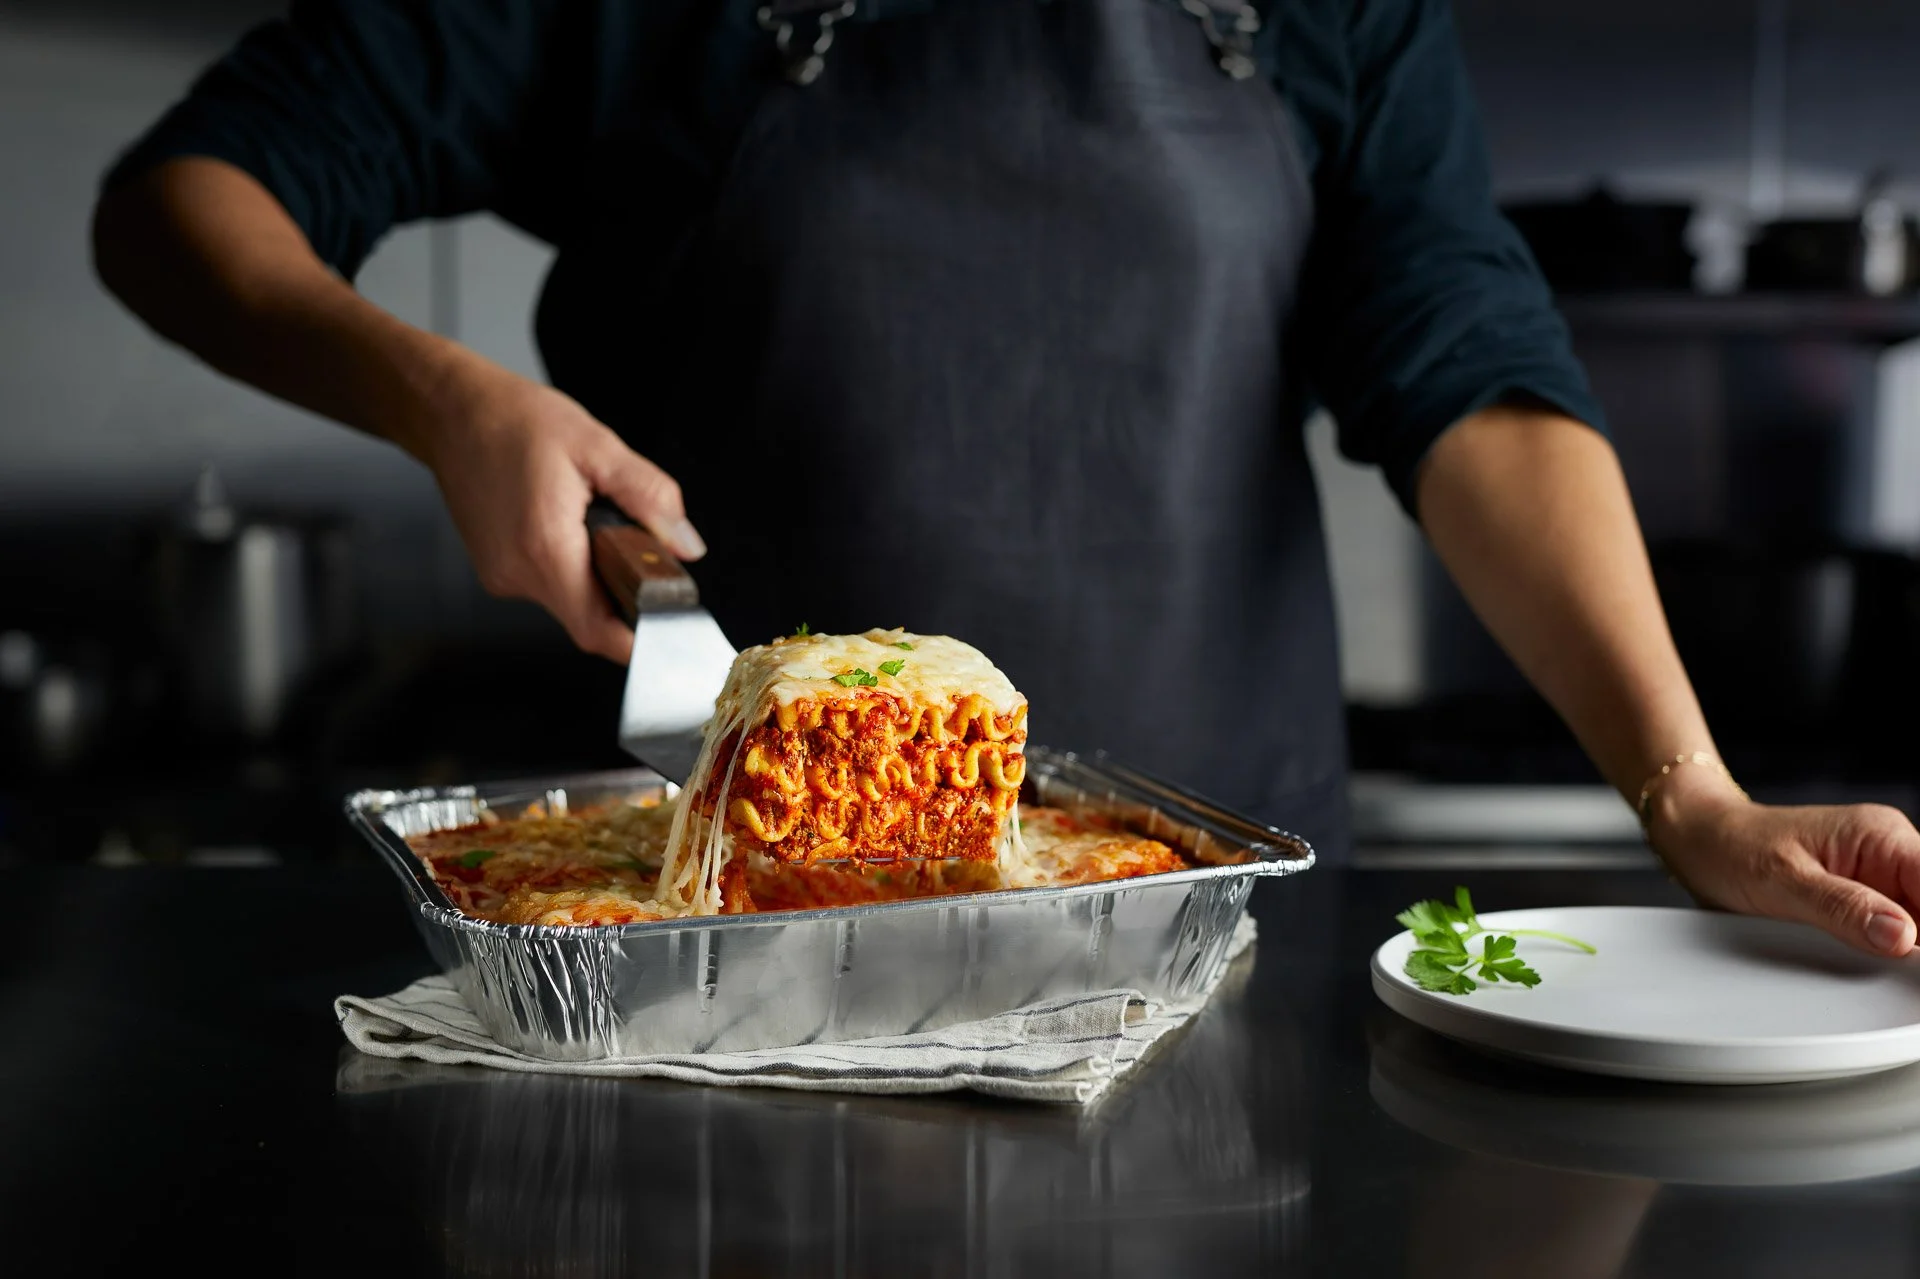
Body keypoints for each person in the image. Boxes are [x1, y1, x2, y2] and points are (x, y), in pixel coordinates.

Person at [94, 0, 1920, 955]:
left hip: (1202, 950)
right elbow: (185, 202)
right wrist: (442, 400)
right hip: (743, 954)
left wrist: (1689, 796)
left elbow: (1471, 373)